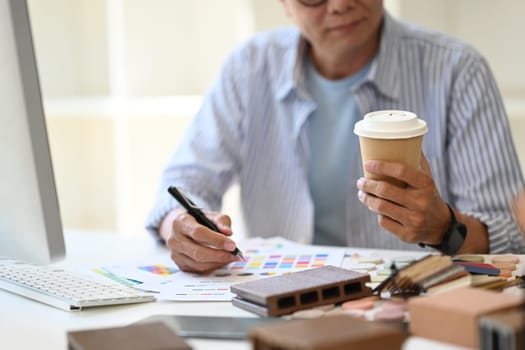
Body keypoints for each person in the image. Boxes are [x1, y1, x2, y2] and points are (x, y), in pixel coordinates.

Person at [146, 0, 525, 273]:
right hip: (280, 299)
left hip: (412, 300)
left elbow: (510, 237)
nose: (341, 5)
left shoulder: (457, 69)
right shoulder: (249, 67)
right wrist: (182, 227)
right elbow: (183, 185)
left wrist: (444, 227)